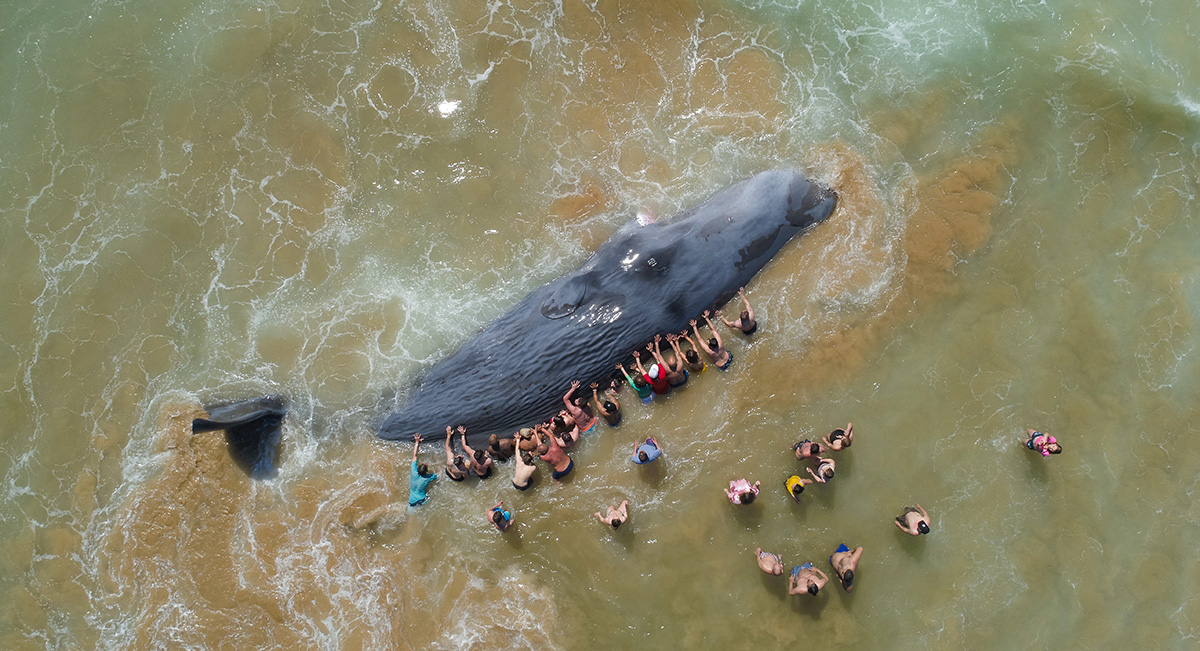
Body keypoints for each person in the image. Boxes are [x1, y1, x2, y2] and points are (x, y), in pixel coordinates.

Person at [408, 434, 438, 506]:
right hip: (423, 499)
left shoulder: (413, 471)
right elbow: (439, 474)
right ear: (426, 472)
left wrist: (417, 442)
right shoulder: (428, 477)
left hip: (412, 502)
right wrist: (437, 461)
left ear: (417, 469)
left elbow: (414, 455)